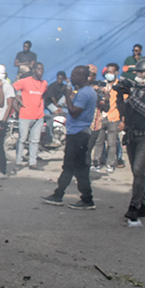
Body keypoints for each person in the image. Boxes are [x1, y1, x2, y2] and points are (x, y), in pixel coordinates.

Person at [42, 65, 97, 209]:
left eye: (74, 75)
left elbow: (73, 112)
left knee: (77, 168)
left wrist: (67, 94)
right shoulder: (87, 92)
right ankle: (59, 194)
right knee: (71, 166)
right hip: (77, 133)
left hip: (78, 134)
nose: (71, 78)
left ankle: (86, 199)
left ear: (82, 77)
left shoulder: (85, 93)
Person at [115, 59, 145, 221]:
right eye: (138, 73)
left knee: (138, 170)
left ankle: (134, 206)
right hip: (132, 135)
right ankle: (142, 204)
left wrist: (132, 98)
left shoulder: (137, 94)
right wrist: (120, 95)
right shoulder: (135, 91)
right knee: (137, 174)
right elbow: (124, 111)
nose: (139, 76)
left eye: (142, 73)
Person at [12, 62, 48, 172]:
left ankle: (33, 162)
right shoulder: (24, 82)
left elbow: (43, 96)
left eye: (42, 69)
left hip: (38, 116)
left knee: (35, 141)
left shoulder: (44, 83)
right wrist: (19, 101)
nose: (40, 71)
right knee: (22, 139)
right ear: (33, 70)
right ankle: (18, 161)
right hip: (25, 116)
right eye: (38, 69)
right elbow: (11, 89)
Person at [93, 64, 121, 173]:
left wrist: (122, 119)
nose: (109, 74)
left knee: (112, 143)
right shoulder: (101, 85)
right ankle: (97, 163)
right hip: (101, 117)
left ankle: (110, 164)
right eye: (107, 72)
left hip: (113, 117)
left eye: (111, 72)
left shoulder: (120, 86)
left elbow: (122, 103)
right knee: (99, 142)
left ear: (116, 73)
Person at [0, 64, 16, 176]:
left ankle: (2, 170)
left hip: (1, 120)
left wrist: (4, 120)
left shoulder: (7, 87)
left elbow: (10, 104)